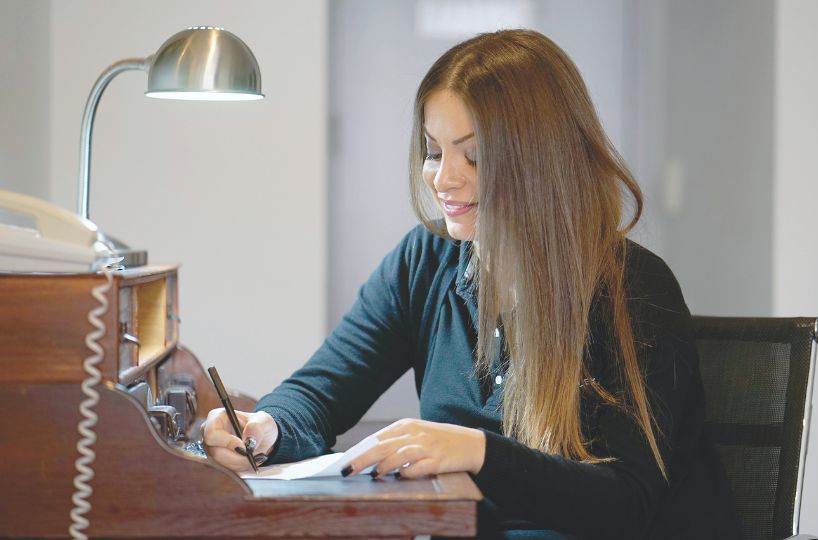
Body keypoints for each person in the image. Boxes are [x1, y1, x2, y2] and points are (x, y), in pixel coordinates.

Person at [202, 29, 741, 539]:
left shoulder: (634, 288)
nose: (443, 177)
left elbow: (627, 504)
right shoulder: (425, 260)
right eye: (435, 151)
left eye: (475, 156)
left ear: (541, 161)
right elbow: (320, 392)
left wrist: (479, 452)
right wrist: (268, 427)